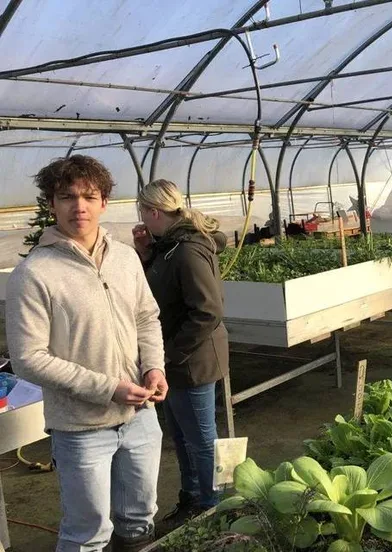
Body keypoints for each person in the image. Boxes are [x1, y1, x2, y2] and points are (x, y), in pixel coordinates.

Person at [5, 155, 167, 552]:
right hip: (80, 427)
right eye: (67, 197)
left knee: (139, 519)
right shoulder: (34, 274)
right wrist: (108, 388)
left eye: (89, 196)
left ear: (104, 203)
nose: (79, 206)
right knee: (88, 533)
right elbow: (29, 357)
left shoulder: (126, 258)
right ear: (51, 204)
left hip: (140, 417)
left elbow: (147, 318)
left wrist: (155, 368)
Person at [133, 180, 230, 529]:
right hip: (177, 360)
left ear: (153, 211)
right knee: (185, 436)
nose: (142, 218)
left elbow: (207, 311)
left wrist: (170, 354)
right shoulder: (169, 246)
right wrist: (146, 253)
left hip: (191, 361)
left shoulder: (187, 251)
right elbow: (157, 290)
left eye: (143, 211)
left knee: (202, 439)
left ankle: (214, 508)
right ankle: (193, 499)